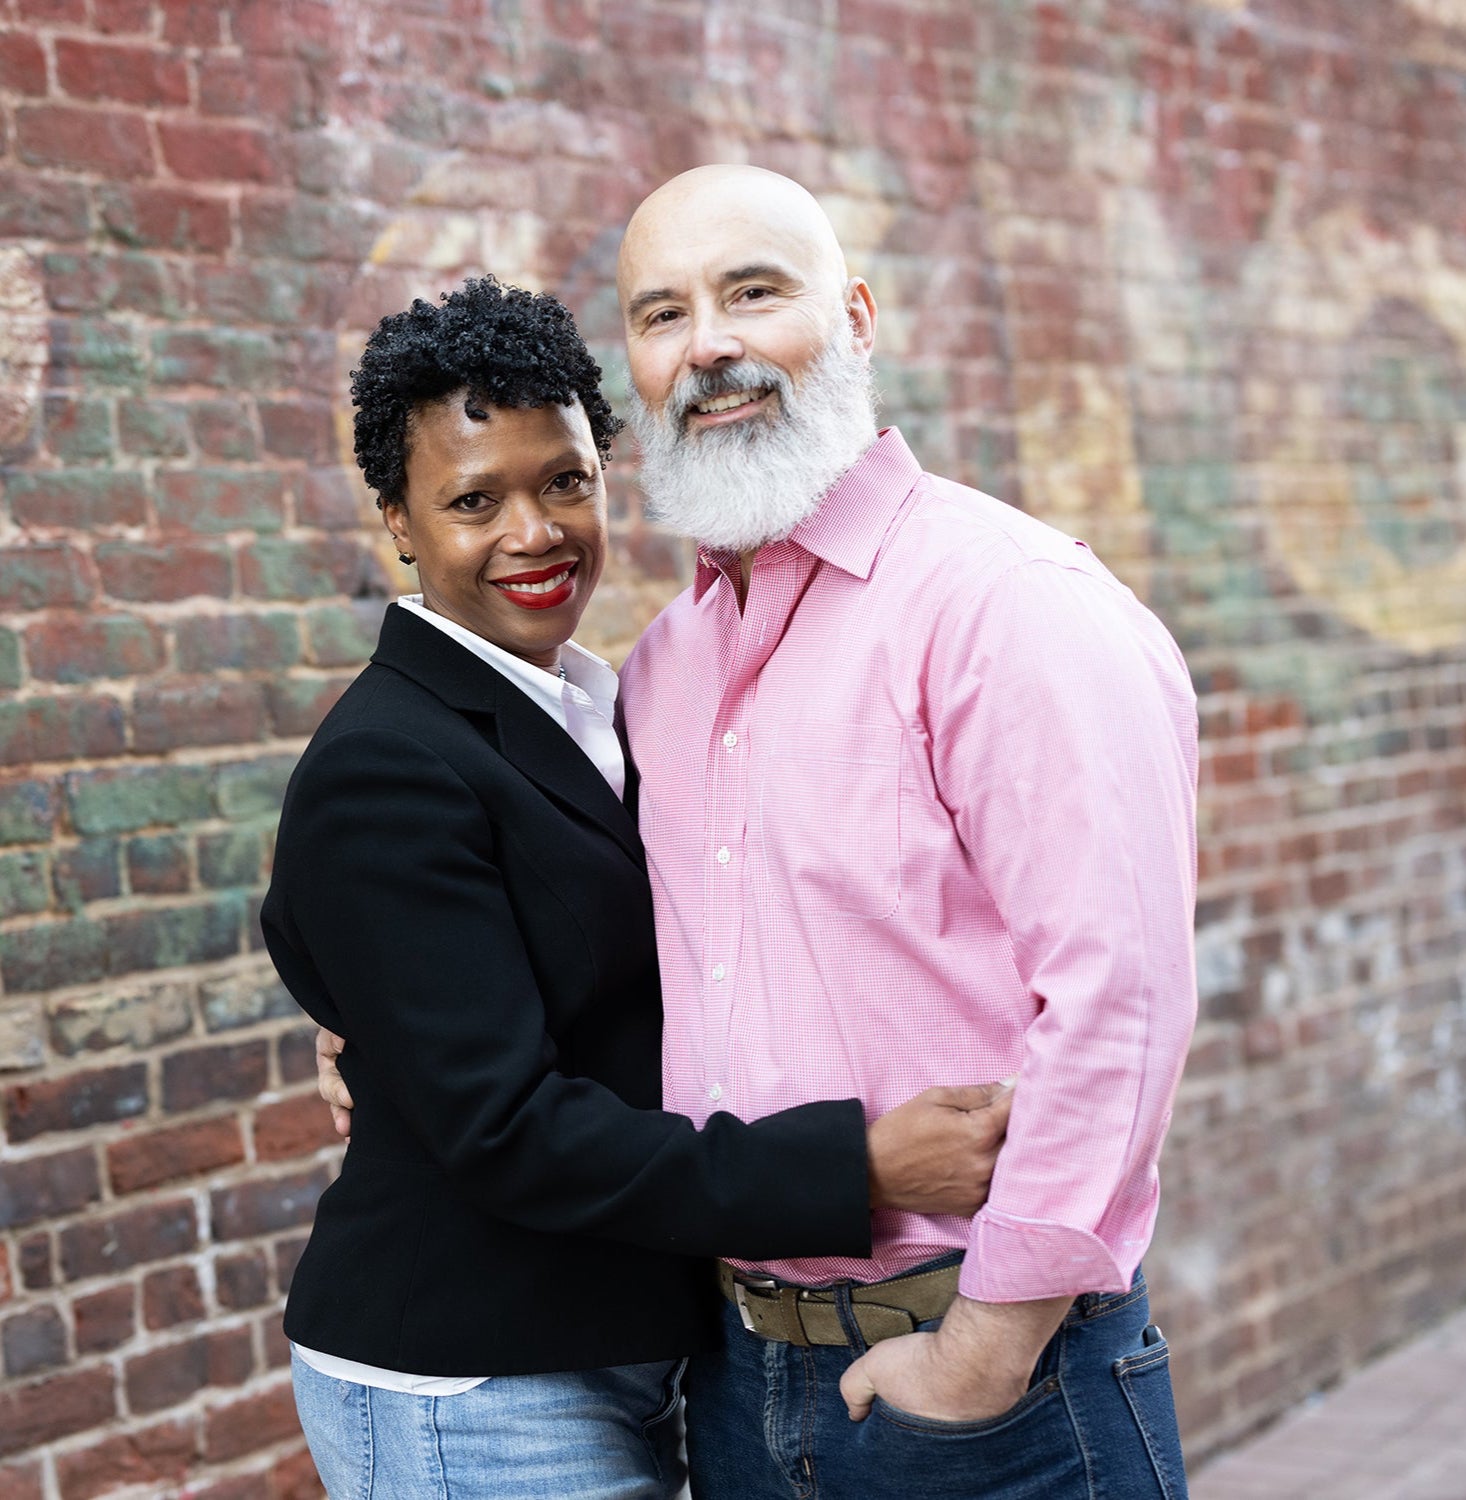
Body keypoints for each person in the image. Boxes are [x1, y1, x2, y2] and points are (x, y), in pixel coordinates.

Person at [262, 275, 1015, 1500]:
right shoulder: (386, 764)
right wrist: (862, 1170)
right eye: (473, 500)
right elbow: (505, 1129)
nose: (534, 533)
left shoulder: (605, 704)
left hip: (615, 1336)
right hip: (475, 1372)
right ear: (397, 519)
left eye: (564, 481)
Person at [611, 165, 1200, 1499]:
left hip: (997, 1391)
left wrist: (984, 1354)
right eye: (664, 314)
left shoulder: (1007, 602)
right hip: (739, 1383)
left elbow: (1120, 995)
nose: (710, 346)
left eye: (753, 292)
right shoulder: (661, 670)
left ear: (858, 319)